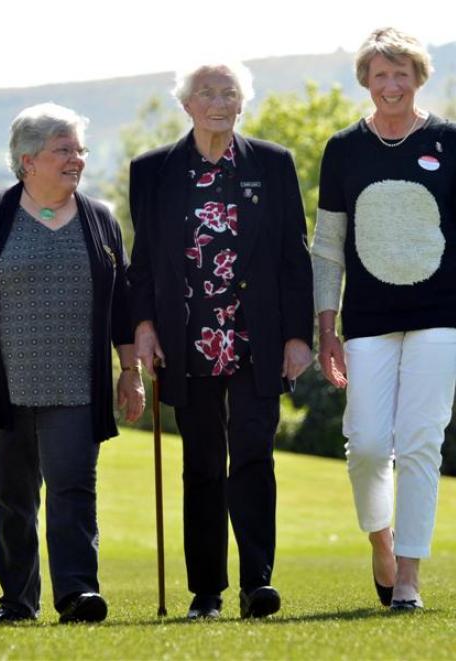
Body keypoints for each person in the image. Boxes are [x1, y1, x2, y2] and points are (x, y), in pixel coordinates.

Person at [129, 62, 313, 619]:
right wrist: (142, 326)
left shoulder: (272, 164)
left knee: (254, 454)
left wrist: (298, 335)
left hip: (256, 335)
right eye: (206, 92)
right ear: (186, 104)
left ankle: (258, 582)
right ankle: (205, 592)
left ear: (242, 102)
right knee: (203, 463)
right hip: (187, 338)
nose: (218, 100)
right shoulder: (153, 169)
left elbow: (293, 257)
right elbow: (143, 262)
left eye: (228, 91)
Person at [0, 103, 145, 624]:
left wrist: (130, 372)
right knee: (12, 499)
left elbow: (122, 306)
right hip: (2, 385)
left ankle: (77, 592)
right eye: (64, 150)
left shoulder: (100, 218)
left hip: (75, 385)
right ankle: (17, 602)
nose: (77, 159)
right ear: (27, 160)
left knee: (73, 489)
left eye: (80, 150)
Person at [312, 27, 456, 610]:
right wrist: (327, 329)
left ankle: (409, 579)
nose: (390, 85)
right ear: (366, 82)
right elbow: (327, 245)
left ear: (419, 78)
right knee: (369, 444)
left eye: (401, 74)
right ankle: (382, 542)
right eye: (380, 75)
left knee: (421, 442)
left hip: (441, 313)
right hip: (366, 318)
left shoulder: (449, 141)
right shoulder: (343, 148)